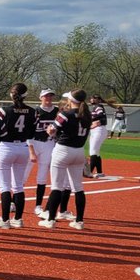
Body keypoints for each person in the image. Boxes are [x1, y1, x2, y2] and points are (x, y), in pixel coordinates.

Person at [0, 83, 36, 229]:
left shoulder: (4, 110)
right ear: (25, 95)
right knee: (18, 186)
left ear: (11, 94)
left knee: (5, 187)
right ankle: (18, 219)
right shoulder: (33, 111)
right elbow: (32, 132)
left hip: (6, 147)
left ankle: (4, 219)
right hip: (23, 147)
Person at [40, 89, 90, 230]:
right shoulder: (87, 115)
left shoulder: (65, 114)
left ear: (71, 100)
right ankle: (79, 221)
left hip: (63, 150)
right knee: (78, 187)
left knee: (57, 186)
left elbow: (52, 130)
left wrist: (50, 130)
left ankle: (51, 220)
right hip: (79, 151)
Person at [30, 89, 70, 219]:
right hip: (33, 142)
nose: (48, 98)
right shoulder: (35, 111)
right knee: (23, 174)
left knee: (42, 175)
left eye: (50, 96)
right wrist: (30, 149)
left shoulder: (57, 112)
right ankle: (13, 202)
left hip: (48, 143)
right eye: (46, 96)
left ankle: (38, 205)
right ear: (40, 97)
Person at [87, 94, 109, 178]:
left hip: (99, 130)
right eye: (92, 98)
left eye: (95, 98)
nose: (92, 99)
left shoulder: (99, 106)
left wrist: (91, 119)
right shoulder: (95, 107)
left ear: (99, 100)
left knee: (93, 151)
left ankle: (89, 172)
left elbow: (101, 115)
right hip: (95, 130)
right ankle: (99, 172)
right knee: (96, 152)